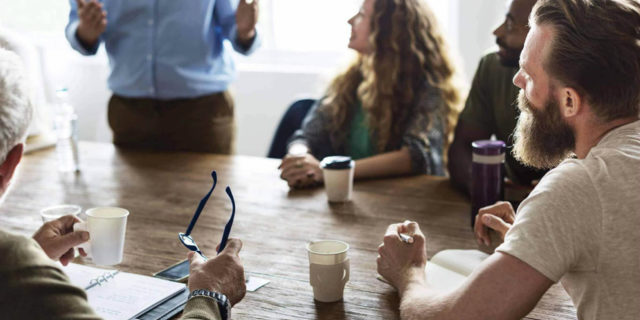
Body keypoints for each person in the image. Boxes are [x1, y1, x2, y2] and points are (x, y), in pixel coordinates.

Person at [377, 0, 640, 319]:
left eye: (529, 74)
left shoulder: (580, 186)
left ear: (569, 100)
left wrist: (409, 273)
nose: (517, 80)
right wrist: (539, 237)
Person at [0, 49, 246, 320]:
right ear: (11, 164)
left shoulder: (14, 263)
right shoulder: (12, 262)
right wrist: (210, 296)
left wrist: (32, 257)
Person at [279, 0, 461, 188]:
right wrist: (299, 158)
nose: (351, 21)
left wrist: (335, 171)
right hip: (349, 196)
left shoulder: (429, 84)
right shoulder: (349, 78)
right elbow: (305, 137)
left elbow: (416, 156)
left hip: (401, 199)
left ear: (388, 28)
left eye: (362, 15)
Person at [65, 0, 260, 153]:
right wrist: (84, 32)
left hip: (203, 115)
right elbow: (76, 22)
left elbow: (233, 24)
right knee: (130, 200)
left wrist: (245, 31)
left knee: (212, 200)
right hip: (130, 115)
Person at [448, 0, 547, 196]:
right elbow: (463, 147)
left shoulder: (585, 83)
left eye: (510, 24)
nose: (498, 32)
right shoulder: (491, 66)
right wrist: (482, 185)